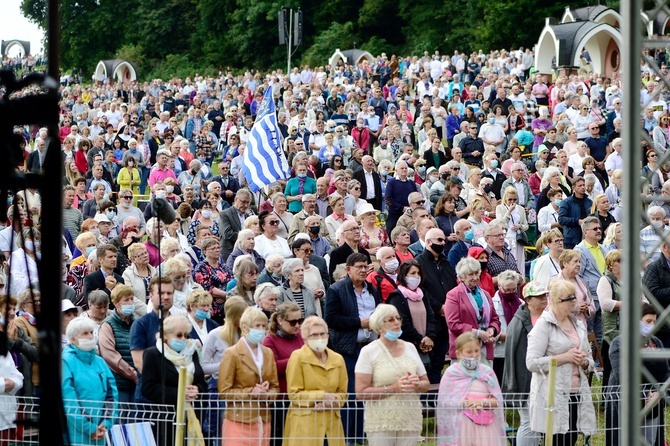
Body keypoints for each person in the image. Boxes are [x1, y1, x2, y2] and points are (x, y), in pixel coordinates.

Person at [526, 279, 597, 445]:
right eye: (569, 298)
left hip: (576, 392)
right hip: (552, 396)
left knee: (571, 438)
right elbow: (532, 363)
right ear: (556, 301)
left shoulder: (578, 324)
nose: (574, 301)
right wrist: (564, 358)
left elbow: (589, 359)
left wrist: (584, 362)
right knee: (558, 440)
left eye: (574, 296)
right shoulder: (543, 326)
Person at [324, 252, 381, 443]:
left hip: (371, 346)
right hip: (349, 348)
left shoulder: (372, 289)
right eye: (359, 267)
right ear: (348, 269)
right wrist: (359, 323)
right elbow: (331, 319)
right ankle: (348, 435)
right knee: (350, 392)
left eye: (366, 266)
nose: (364, 270)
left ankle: (362, 433)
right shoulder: (337, 289)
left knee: (367, 391)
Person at [354, 304, 430, 446]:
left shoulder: (410, 347)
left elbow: (425, 383)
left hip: (409, 418)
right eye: (389, 319)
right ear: (379, 327)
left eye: (398, 318)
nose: (396, 322)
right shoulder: (368, 352)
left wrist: (417, 384)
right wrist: (393, 388)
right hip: (381, 420)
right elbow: (361, 392)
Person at [606, 303, 670, 446]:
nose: (652, 325)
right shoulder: (619, 344)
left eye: (654, 321)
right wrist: (647, 393)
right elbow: (623, 375)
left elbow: (665, 371)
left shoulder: (656, 342)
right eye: (648, 321)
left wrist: (659, 393)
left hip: (653, 403)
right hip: (627, 404)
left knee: (651, 439)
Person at [141, 314, 207, 446]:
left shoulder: (191, 351)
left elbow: (201, 381)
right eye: (178, 335)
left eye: (186, 335)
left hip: (193, 415)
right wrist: (180, 394)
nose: (183, 339)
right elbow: (148, 388)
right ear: (165, 335)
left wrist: (197, 389)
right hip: (167, 419)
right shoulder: (153, 354)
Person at [218, 307, 280, 446]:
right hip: (239, 420)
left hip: (263, 419)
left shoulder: (268, 353)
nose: (261, 329)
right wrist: (250, 392)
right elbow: (224, 392)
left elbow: (275, 387)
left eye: (264, 326)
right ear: (245, 328)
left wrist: (267, 395)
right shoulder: (232, 354)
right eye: (257, 325)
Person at [283, 315, 347, 445]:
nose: (320, 338)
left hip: (331, 425)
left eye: (323, 334)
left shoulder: (338, 359)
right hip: (305, 426)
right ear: (305, 338)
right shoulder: (298, 357)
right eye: (314, 335)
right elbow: (294, 394)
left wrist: (332, 402)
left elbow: (343, 393)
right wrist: (321, 396)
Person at [501, 281, 549, 446]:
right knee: (529, 422)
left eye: (545, 295)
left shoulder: (545, 317)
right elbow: (517, 360)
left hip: (542, 379)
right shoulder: (520, 323)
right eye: (539, 296)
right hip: (526, 382)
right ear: (528, 300)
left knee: (537, 422)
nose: (544, 299)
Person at [437, 332, 505, 446]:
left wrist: (482, 402)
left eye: (477, 351)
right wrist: (468, 403)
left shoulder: (487, 372)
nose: (474, 355)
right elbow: (445, 400)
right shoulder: (452, 373)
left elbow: (497, 400)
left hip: (486, 424)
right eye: (469, 352)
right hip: (462, 424)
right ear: (458, 353)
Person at [62, 317, 118, 446]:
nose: (90, 336)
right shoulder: (65, 361)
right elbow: (69, 401)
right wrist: (90, 428)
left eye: (91, 332)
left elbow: (112, 395)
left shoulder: (100, 361)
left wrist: (106, 423)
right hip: (77, 431)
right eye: (85, 333)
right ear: (73, 338)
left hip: (101, 430)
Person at [200, 297, 248, 441]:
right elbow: (203, 366)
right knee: (220, 433)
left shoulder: (246, 336)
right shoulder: (215, 334)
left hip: (242, 389)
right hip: (219, 388)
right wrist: (226, 365)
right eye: (241, 316)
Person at [415, 227, 458, 383]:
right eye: (439, 240)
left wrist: (451, 306)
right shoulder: (419, 262)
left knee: (439, 359)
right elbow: (421, 289)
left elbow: (452, 285)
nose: (443, 242)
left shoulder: (445, 262)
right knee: (429, 361)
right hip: (431, 318)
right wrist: (439, 306)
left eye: (444, 240)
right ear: (428, 242)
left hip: (447, 317)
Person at [445, 257, 501, 368]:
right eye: (470, 274)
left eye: (477, 273)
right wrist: (478, 333)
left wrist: (492, 329)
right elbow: (453, 324)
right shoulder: (454, 295)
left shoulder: (486, 294)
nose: (475, 278)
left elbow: (495, 319)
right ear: (462, 277)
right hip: (464, 350)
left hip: (485, 349)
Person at [386, 259, 436, 365]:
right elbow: (403, 322)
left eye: (418, 273)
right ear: (404, 276)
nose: (416, 276)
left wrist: (430, 336)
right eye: (412, 273)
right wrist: (420, 340)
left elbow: (431, 317)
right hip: (407, 346)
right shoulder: (397, 296)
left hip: (424, 345)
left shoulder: (423, 294)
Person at [98, 284, 138, 403]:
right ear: (116, 303)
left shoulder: (137, 323)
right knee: (121, 419)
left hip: (137, 384)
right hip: (118, 384)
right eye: (126, 300)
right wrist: (133, 374)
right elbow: (110, 356)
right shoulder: (108, 325)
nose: (130, 303)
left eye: (132, 299)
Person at [0, 294, 23, 440]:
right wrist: (3, 384)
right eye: (7, 308)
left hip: (8, 408)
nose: (12, 312)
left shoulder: (15, 329)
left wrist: (14, 383)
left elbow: (16, 374)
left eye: (14, 309)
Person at [193, 237, 232, 324]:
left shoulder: (223, 266)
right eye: (213, 248)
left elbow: (232, 281)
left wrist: (226, 296)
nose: (217, 250)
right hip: (213, 308)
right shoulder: (201, 267)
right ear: (205, 251)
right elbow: (207, 288)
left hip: (227, 305)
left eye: (218, 247)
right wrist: (227, 295)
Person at [496, 186, 529, 274]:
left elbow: (526, 225)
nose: (512, 202)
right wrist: (509, 211)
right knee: (510, 264)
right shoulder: (500, 208)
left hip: (518, 239)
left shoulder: (521, 209)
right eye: (510, 199)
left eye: (515, 199)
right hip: (506, 239)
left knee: (520, 264)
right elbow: (500, 223)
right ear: (505, 198)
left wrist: (520, 226)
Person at [122, 243, 156, 314]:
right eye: (142, 254)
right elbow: (130, 297)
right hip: (139, 315)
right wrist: (148, 311)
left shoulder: (155, 271)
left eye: (146, 252)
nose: (146, 255)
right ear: (133, 259)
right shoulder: (127, 275)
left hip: (157, 312)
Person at [558, 177, 592, 249]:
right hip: (571, 239)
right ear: (573, 187)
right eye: (580, 186)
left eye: (583, 185)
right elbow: (561, 219)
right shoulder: (566, 202)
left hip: (587, 236)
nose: (583, 187)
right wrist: (577, 221)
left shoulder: (589, 202)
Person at [384, 160, 416, 234]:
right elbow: (388, 199)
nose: (404, 170)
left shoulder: (411, 183)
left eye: (405, 168)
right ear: (396, 170)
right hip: (395, 215)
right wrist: (402, 208)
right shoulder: (391, 182)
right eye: (402, 168)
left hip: (409, 215)